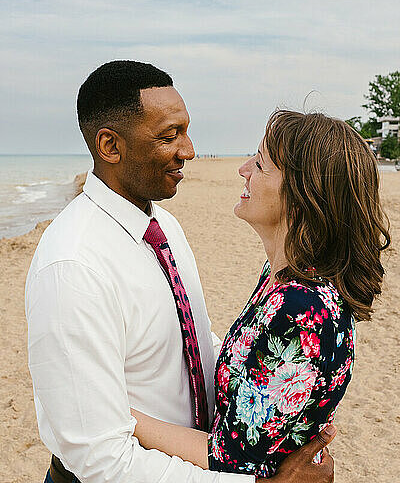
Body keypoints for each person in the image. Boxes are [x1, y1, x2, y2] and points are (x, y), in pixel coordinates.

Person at [26, 60, 336, 483]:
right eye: (169, 136)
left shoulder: (163, 227)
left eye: (186, 130)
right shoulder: (74, 265)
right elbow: (101, 459)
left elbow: (191, 342)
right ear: (110, 146)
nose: (189, 150)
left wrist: (278, 410)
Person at [126, 109, 390, 476]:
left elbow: (227, 456)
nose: (243, 168)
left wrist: (122, 413)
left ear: (302, 196)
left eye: (261, 164)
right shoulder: (281, 276)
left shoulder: (302, 309)